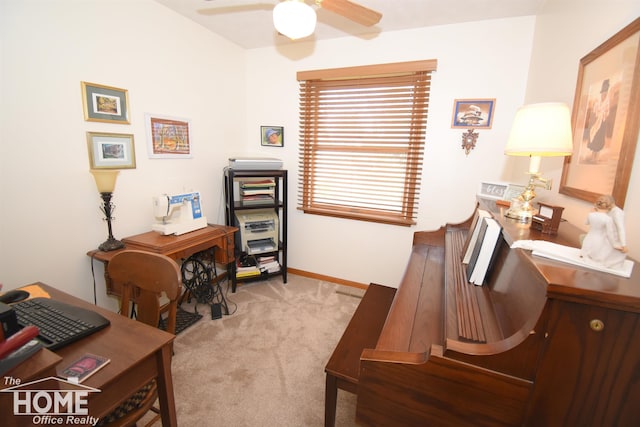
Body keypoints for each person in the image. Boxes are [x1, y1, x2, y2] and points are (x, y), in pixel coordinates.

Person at [580, 195, 627, 268]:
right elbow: (609, 232)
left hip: (597, 238)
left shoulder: (617, 213)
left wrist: (623, 244)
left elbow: (620, 229)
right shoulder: (607, 218)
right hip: (602, 238)